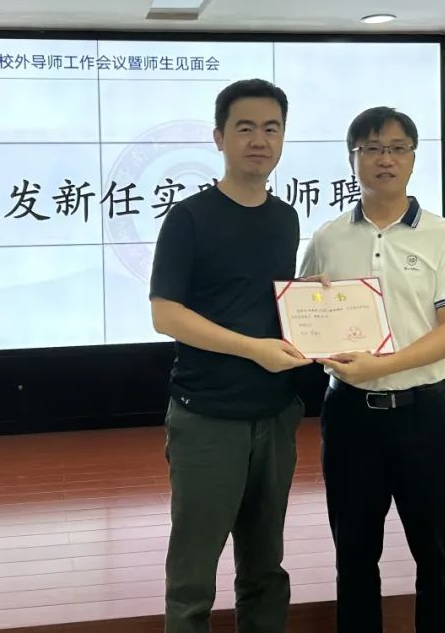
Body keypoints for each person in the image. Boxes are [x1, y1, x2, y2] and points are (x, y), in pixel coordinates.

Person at [299, 106, 445, 633]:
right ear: (352, 159)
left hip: (425, 414)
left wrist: (383, 364)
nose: (385, 159)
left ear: (414, 159)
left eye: (397, 149)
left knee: (438, 555)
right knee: (353, 556)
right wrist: (312, 324)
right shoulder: (328, 237)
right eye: (372, 149)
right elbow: (303, 317)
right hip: (350, 417)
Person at [149, 78, 314, 633]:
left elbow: (270, 302)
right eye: (245, 128)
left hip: (276, 413)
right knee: (193, 577)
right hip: (207, 418)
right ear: (219, 137)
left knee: (265, 568)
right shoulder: (189, 217)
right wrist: (253, 350)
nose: (259, 140)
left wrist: (323, 311)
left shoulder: (285, 218)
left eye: (271, 128)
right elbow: (166, 315)